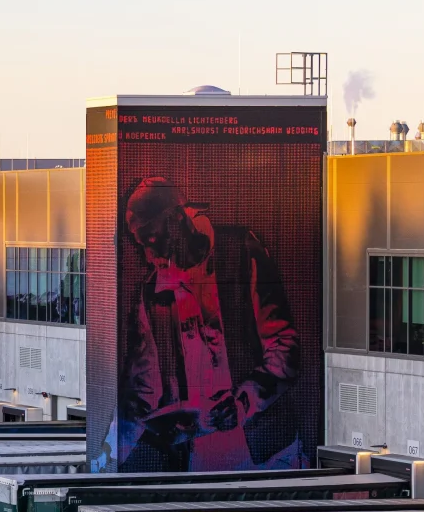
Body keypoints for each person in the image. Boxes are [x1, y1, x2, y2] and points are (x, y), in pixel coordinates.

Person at [118, 177, 300, 472]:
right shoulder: (152, 292)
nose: (149, 256)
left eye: (152, 239)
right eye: (142, 245)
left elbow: (284, 346)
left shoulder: (241, 252)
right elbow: (143, 385)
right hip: (197, 455)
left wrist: (243, 403)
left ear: (177, 219)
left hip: (264, 449)